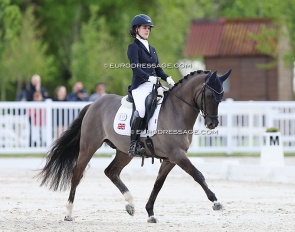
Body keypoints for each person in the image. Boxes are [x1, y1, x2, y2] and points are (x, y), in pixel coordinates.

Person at [127, 14, 175, 157]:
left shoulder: (152, 49)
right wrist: (149, 78)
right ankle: (133, 144)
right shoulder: (133, 47)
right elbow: (135, 68)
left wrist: (168, 78)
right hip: (140, 86)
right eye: (144, 28)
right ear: (136, 29)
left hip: (154, 85)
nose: (147, 30)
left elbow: (158, 69)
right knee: (141, 110)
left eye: (148, 28)